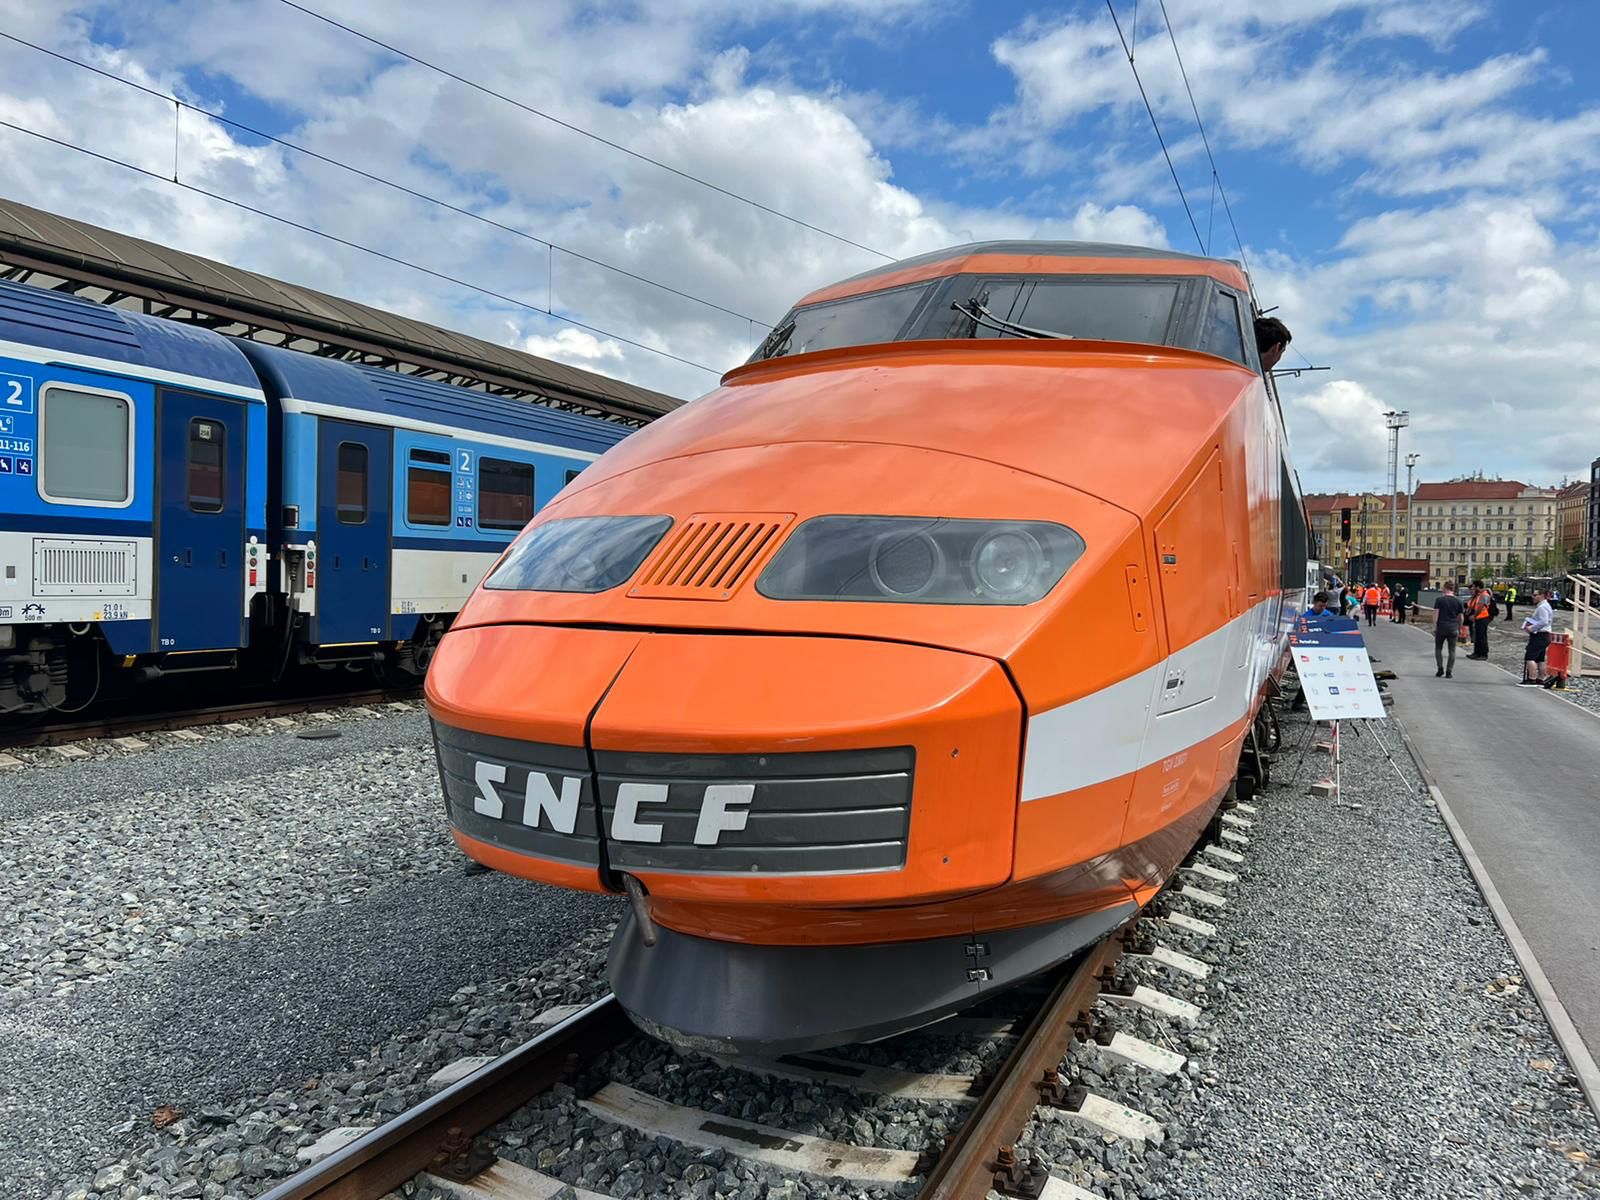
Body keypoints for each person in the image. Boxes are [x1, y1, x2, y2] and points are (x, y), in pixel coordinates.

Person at [1520, 588, 1555, 686]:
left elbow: (1544, 621)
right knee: (1540, 658)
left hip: (1540, 635)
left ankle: (1532, 679)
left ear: (1542, 595)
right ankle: (1540, 679)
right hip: (1544, 635)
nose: (1533, 597)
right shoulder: (1545, 605)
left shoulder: (1542, 607)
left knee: (1530, 657)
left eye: (1535, 595)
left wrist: (1531, 628)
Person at [1432, 582, 1464, 678]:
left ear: (1445, 588)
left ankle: (1440, 669)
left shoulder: (1439, 600)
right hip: (1453, 628)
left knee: (1438, 649)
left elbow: (1435, 614)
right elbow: (1461, 617)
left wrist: (1434, 627)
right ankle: (1449, 671)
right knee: (1452, 651)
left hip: (1441, 627)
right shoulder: (1459, 601)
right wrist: (1459, 628)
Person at [1467, 585, 1492, 659]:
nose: (1471, 591)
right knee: (1476, 636)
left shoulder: (1483, 595)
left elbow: (1480, 608)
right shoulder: (1475, 597)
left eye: (1473, 589)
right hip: (1477, 618)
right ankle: (1477, 653)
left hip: (1482, 618)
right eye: (1470, 590)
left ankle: (1483, 654)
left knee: (1481, 637)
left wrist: (1474, 616)